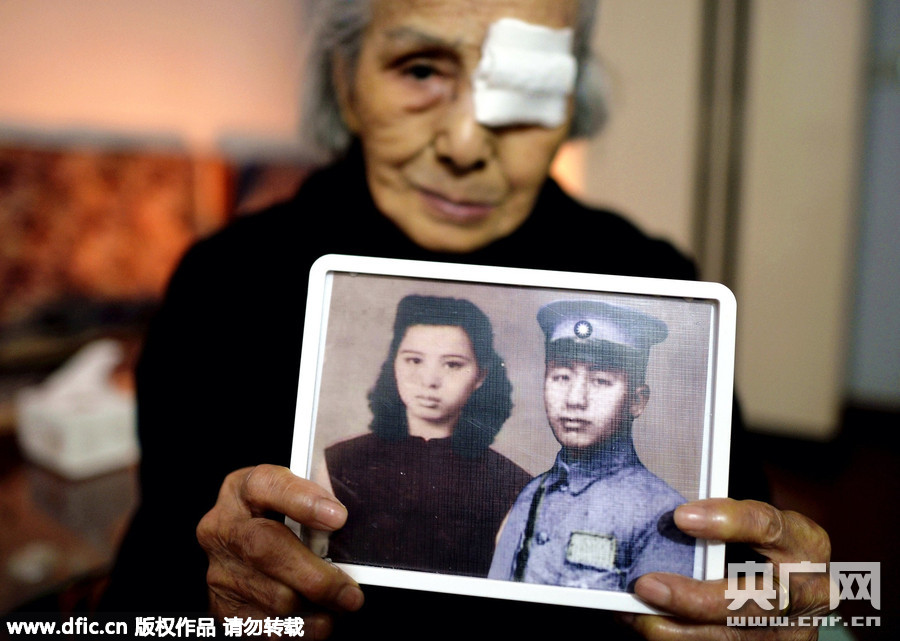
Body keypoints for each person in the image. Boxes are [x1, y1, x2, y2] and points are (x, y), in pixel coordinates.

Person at [101, 0, 833, 638]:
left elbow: (755, 577)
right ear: (345, 80)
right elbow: (150, 585)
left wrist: (783, 607)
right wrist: (212, 601)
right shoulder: (224, 284)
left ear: (570, 100)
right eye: (420, 69)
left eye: (526, 87)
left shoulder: (653, 281)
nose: (465, 144)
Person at [319, 294, 531, 576]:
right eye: (414, 360)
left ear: (481, 376)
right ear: (395, 363)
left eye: (452, 364)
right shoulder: (338, 463)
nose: (429, 380)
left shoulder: (514, 485)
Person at [489, 299, 694, 590]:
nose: (575, 399)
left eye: (600, 381)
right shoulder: (531, 496)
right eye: (561, 377)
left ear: (637, 401)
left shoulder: (663, 514)